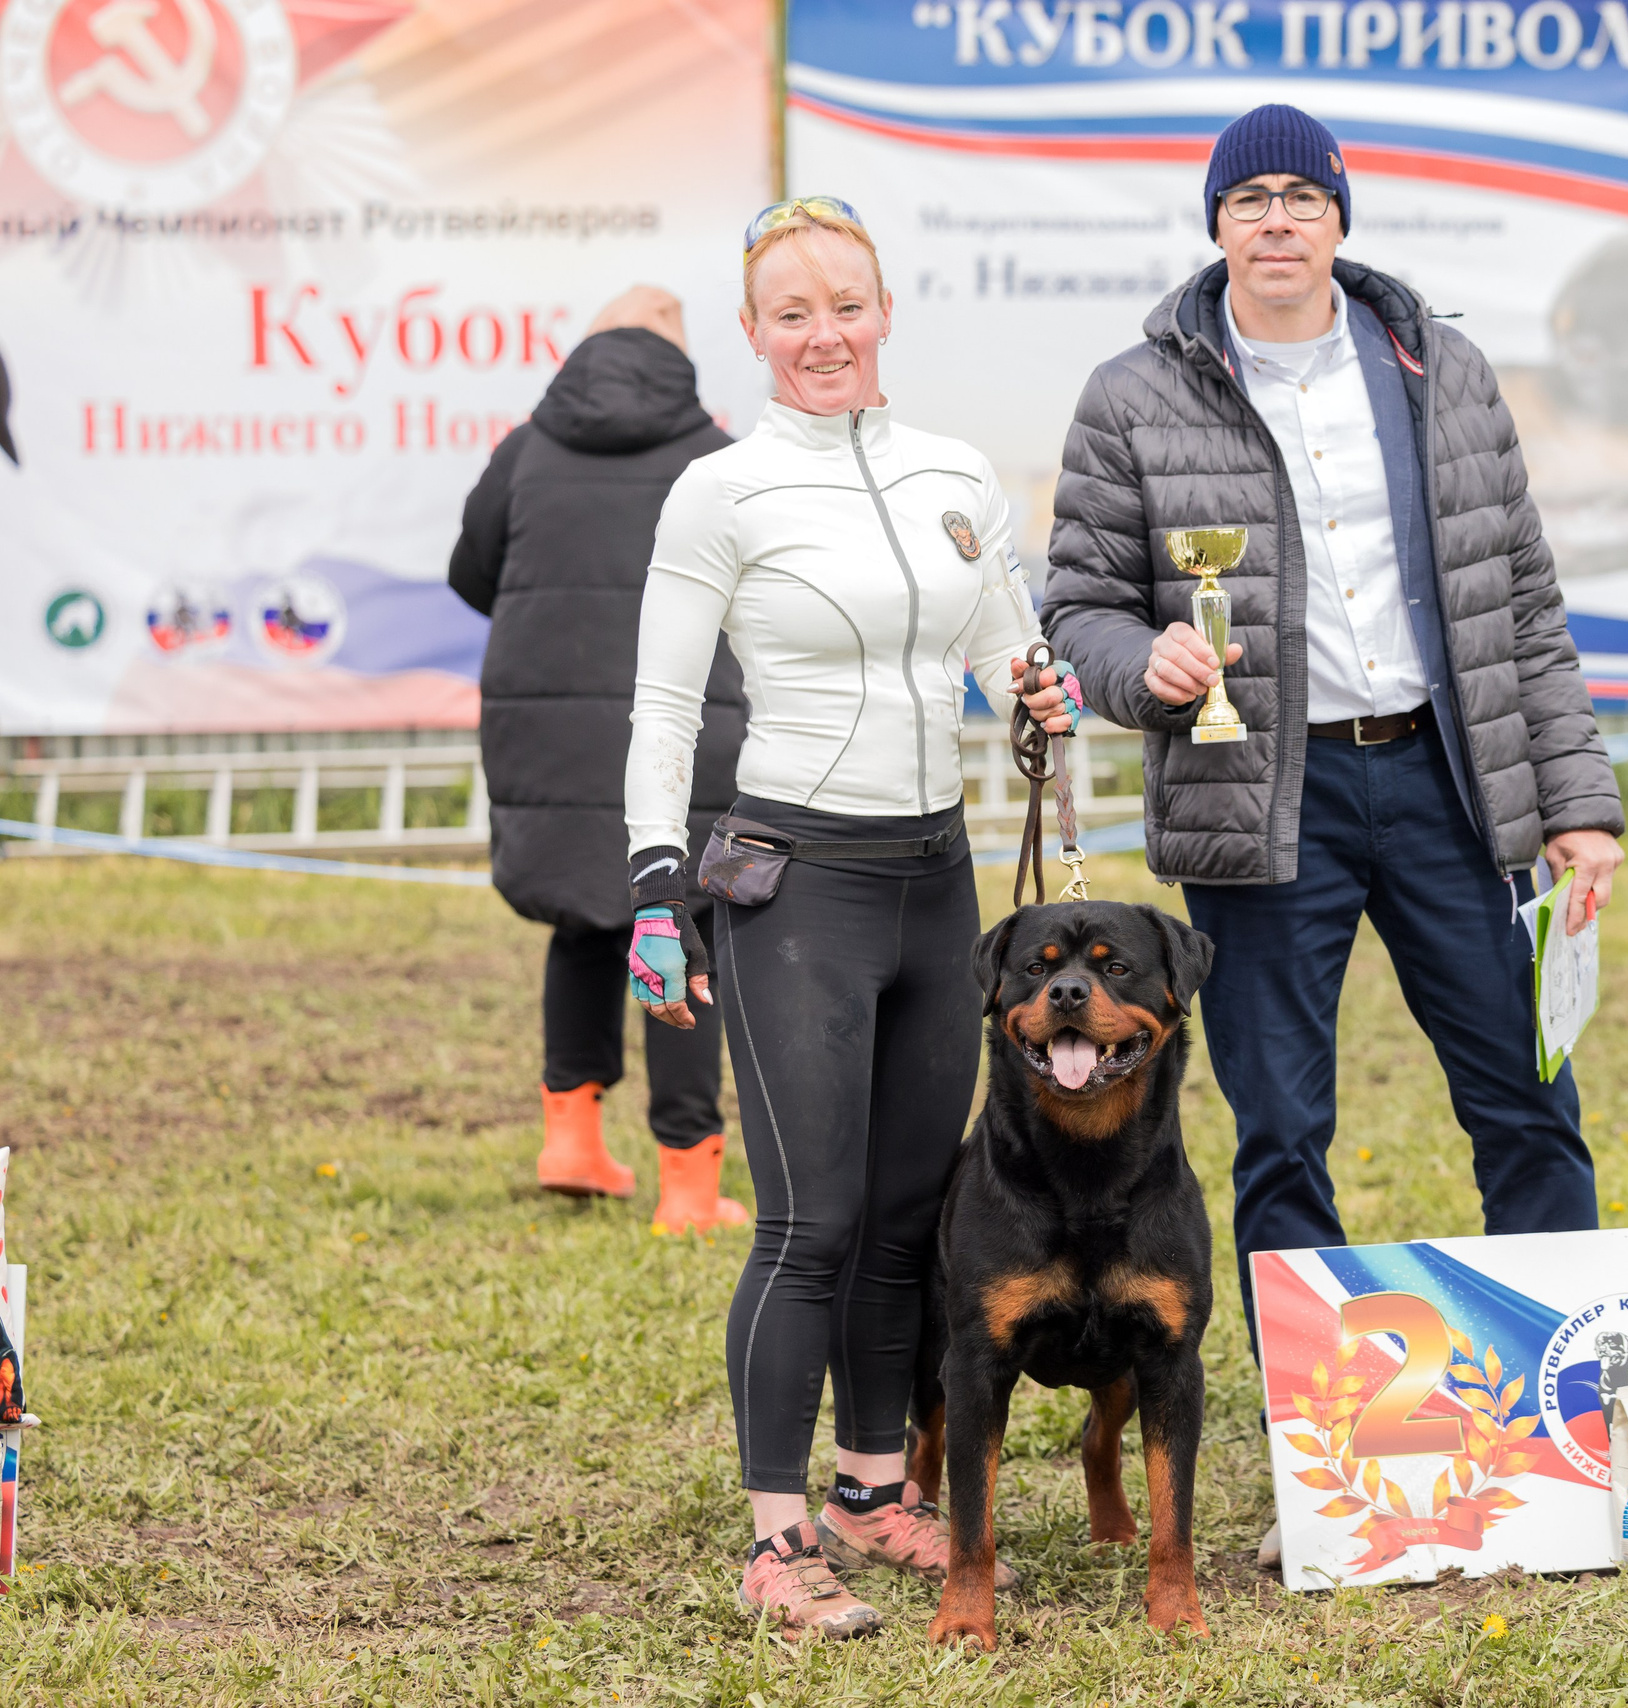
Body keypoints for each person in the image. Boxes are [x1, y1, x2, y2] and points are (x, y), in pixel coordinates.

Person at [1040, 104, 1628, 1565]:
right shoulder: (1133, 394)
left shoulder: (1441, 366)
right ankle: (1331, 1477)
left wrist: (1575, 801)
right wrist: (1143, 663)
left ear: (1341, 217)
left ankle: (1569, 1450)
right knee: (1283, 1134)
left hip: (1449, 786)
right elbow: (1080, 605)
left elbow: (1522, 600)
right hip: (1259, 802)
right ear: (1216, 224)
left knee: (1528, 1103)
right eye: (1249, 199)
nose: (1278, 222)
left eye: (1302, 197)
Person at [622, 199, 1075, 1639]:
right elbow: (663, 706)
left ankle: (877, 1489)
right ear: (753, 334)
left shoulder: (956, 473)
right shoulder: (722, 491)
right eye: (792, 313)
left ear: (885, 311)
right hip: (797, 881)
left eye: (845, 305)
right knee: (807, 1222)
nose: (823, 335)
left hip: (936, 879)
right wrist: (652, 885)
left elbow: (1005, 647)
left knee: (904, 1218)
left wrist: (1039, 691)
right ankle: (776, 1538)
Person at [448, 285, 747, 1232]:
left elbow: (471, 574)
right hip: (685, 726)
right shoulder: (717, 456)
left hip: (549, 728)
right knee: (682, 927)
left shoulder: (524, 450)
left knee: (580, 917)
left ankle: (571, 1141)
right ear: (678, 356)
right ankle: (689, 1186)